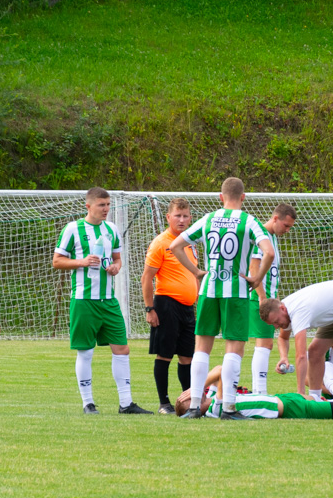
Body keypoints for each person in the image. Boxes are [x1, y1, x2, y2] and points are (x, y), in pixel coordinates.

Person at [169, 177, 274, 420]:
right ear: (243, 197)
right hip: (235, 291)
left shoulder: (208, 219)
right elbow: (268, 251)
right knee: (234, 348)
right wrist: (257, 278)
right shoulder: (249, 220)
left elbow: (176, 246)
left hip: (208, 289)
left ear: (220, 197)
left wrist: (196, 271)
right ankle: (228, 407)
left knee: (201, 349)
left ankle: (195, 405)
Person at [53, 187, 152, 415]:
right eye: (101, 205)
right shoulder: (73, 229)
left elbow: (117, 259)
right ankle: (88, 403)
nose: (106, 209)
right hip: (84, 301)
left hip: (109, 301)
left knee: (122, 348)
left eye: (108, 205)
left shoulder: (112, 229)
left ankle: (126, 404)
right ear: (88, 206)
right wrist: (82, 262)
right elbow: (57, 261)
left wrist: (116, 267)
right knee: (86, 352)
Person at [260, 280, 333, 401]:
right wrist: (283, 357)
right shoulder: (283, 313)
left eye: (276, 321)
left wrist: (300, 394)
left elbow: (301, 356)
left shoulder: (297, 312)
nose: (276, 326)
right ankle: (314, 398)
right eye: (272, 324)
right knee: (314, 351)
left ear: (282, 308)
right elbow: (283, 338)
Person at [175, 365, 333, 420]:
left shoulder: (213, 403)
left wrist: (195, 393)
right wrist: (192, 391)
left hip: (283, 399)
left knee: (316, 395)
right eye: (189, 400)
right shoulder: (216, 408)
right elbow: (221, 369)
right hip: (292, 409)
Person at [142, 198, 198, 414]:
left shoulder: (190, 242)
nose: (182, 220)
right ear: (168, 217)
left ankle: (188, 400)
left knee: (187, 356)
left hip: (187, 307)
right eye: (178, 216)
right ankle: (164, 403)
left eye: (185, 216)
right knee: (164, 354)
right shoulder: (161, 243)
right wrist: (150, 309)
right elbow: (147, 278)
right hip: (166, 304)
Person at [248, 203, 297, 394]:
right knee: (264, 342)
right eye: (286, 225)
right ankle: (258, 391)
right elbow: (254, 267)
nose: (287, 230)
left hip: (268, 298)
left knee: (264, 342)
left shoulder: (272, 237)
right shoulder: (260, 235)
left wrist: (274, 298)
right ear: (275, 218)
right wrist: (262, 298)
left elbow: (272, 272)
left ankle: (258, 390)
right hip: (257, 297)